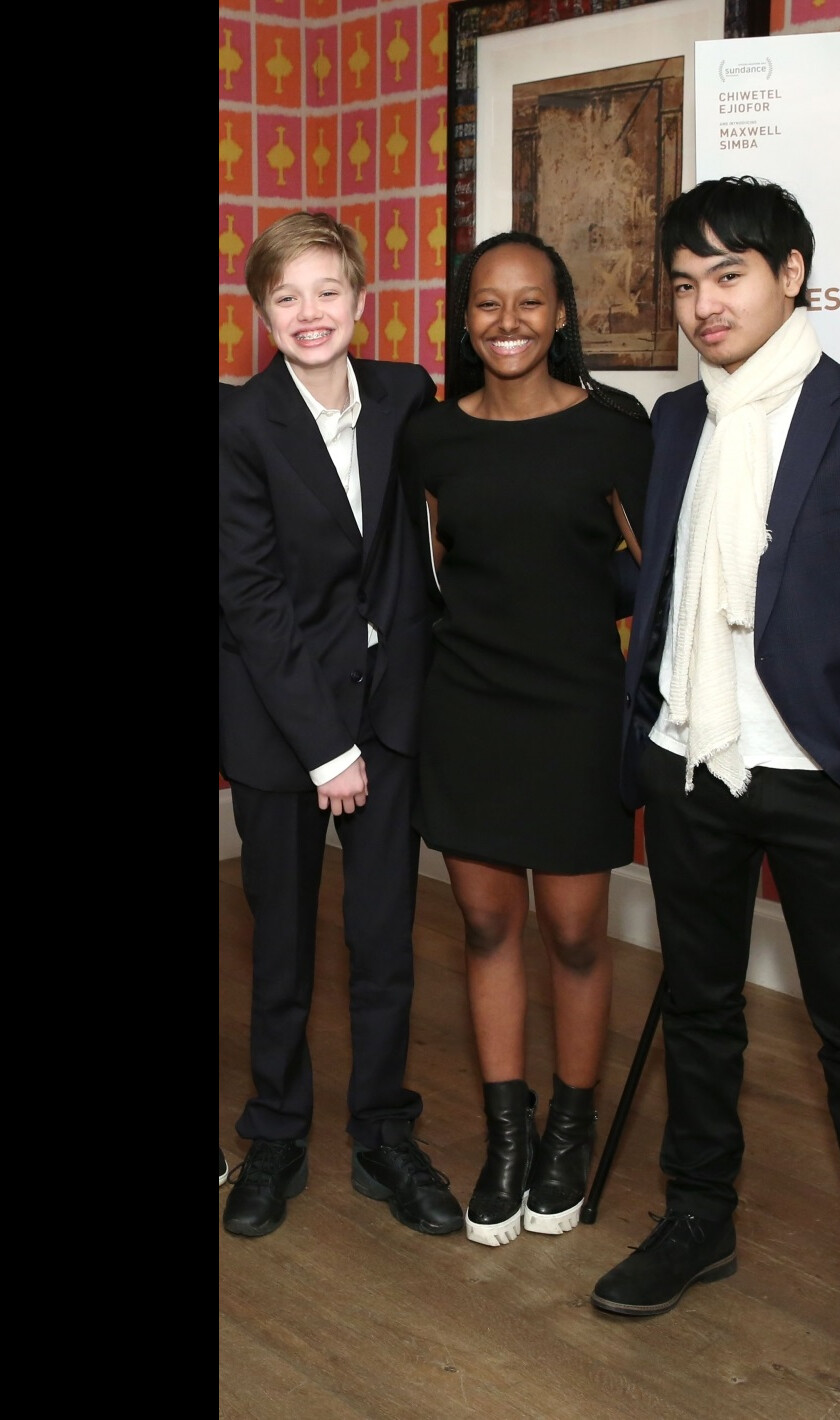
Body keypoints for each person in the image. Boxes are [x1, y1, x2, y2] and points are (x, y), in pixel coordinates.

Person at [588, 177, 840, 1384]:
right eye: (686, 283)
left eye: (730, 275)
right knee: (699, 1009)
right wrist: (644, 723)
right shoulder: (677, 424)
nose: (704, 304)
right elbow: (661, 584)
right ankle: (698, 1218)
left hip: (826, 777)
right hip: (695, 765)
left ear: (793, 274)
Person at [398, 230, 652, 1247]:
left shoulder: (615, 428)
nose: (509, 323)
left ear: (561, 315)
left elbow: (661, 577)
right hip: (470, 708)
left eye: (530, 303)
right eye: (488, 305)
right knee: (490, 927)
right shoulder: (430, 436)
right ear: (466, 319)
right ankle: (511, 1137)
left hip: (580, 714)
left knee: (578, 934)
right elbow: (422, 571)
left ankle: (571, 1134)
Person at [219, 211, 463, 1240]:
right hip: (283, 721)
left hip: (391, 706)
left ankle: (381, 1131)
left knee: (384, 940)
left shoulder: (408, 394)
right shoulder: (238, 424)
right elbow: (253, 597)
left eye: (328, 291)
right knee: (279, 944)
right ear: (261, 311)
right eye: (287, 296)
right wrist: (327, 749)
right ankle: (275, 1132)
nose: (310, 313)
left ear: (361, 298)